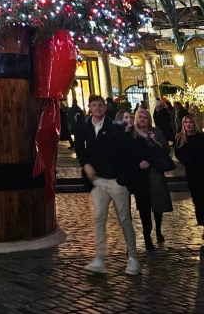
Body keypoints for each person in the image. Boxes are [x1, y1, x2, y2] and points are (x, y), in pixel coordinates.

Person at [74, 93, 141, 276]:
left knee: (124, 219)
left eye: (100, 105)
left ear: (104, 107)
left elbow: (128, 152)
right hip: (98, 180)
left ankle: (133, 258)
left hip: (116, 180)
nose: (98, 108)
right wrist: (85, 164)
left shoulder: (115, 126)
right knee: (99, 218)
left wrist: (123, 178)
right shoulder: (84, 125)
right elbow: (80, 146)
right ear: (89, 107)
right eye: (94, 105)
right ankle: (100, 258)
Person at [128, 106, 174, 250]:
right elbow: (127, 153)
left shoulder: (156, 132)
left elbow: (166, 150)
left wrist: (156, 141)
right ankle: (147, 235)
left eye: (145, 117)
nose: (142, 120)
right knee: (144, 206)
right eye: (140, 117)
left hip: (155, 172)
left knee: (158, 203)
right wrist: (137, 164)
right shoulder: (132, 133)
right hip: (140, 174)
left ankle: (158, 230)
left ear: (149, 119)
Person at [175, 114, 204, 240]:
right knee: (198, 199)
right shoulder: (180, 138)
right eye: (186, 122)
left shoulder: (201, 137)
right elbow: (178, 153)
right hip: (192, 173)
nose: (188, 124)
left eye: (190, 122)